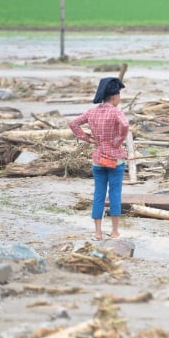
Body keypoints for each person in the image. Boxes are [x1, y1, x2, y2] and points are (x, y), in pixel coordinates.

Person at [69, 77, 130, 240]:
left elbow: (73, 123)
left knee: (99, 194)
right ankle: (115, 231)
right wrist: (118, 141)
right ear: (115, 96)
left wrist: (88, 139)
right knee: (115, 194)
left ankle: (97, 233)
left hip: (98, 158)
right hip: (115, 158)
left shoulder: (92, 112)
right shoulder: (116, 111)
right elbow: (125, 125)